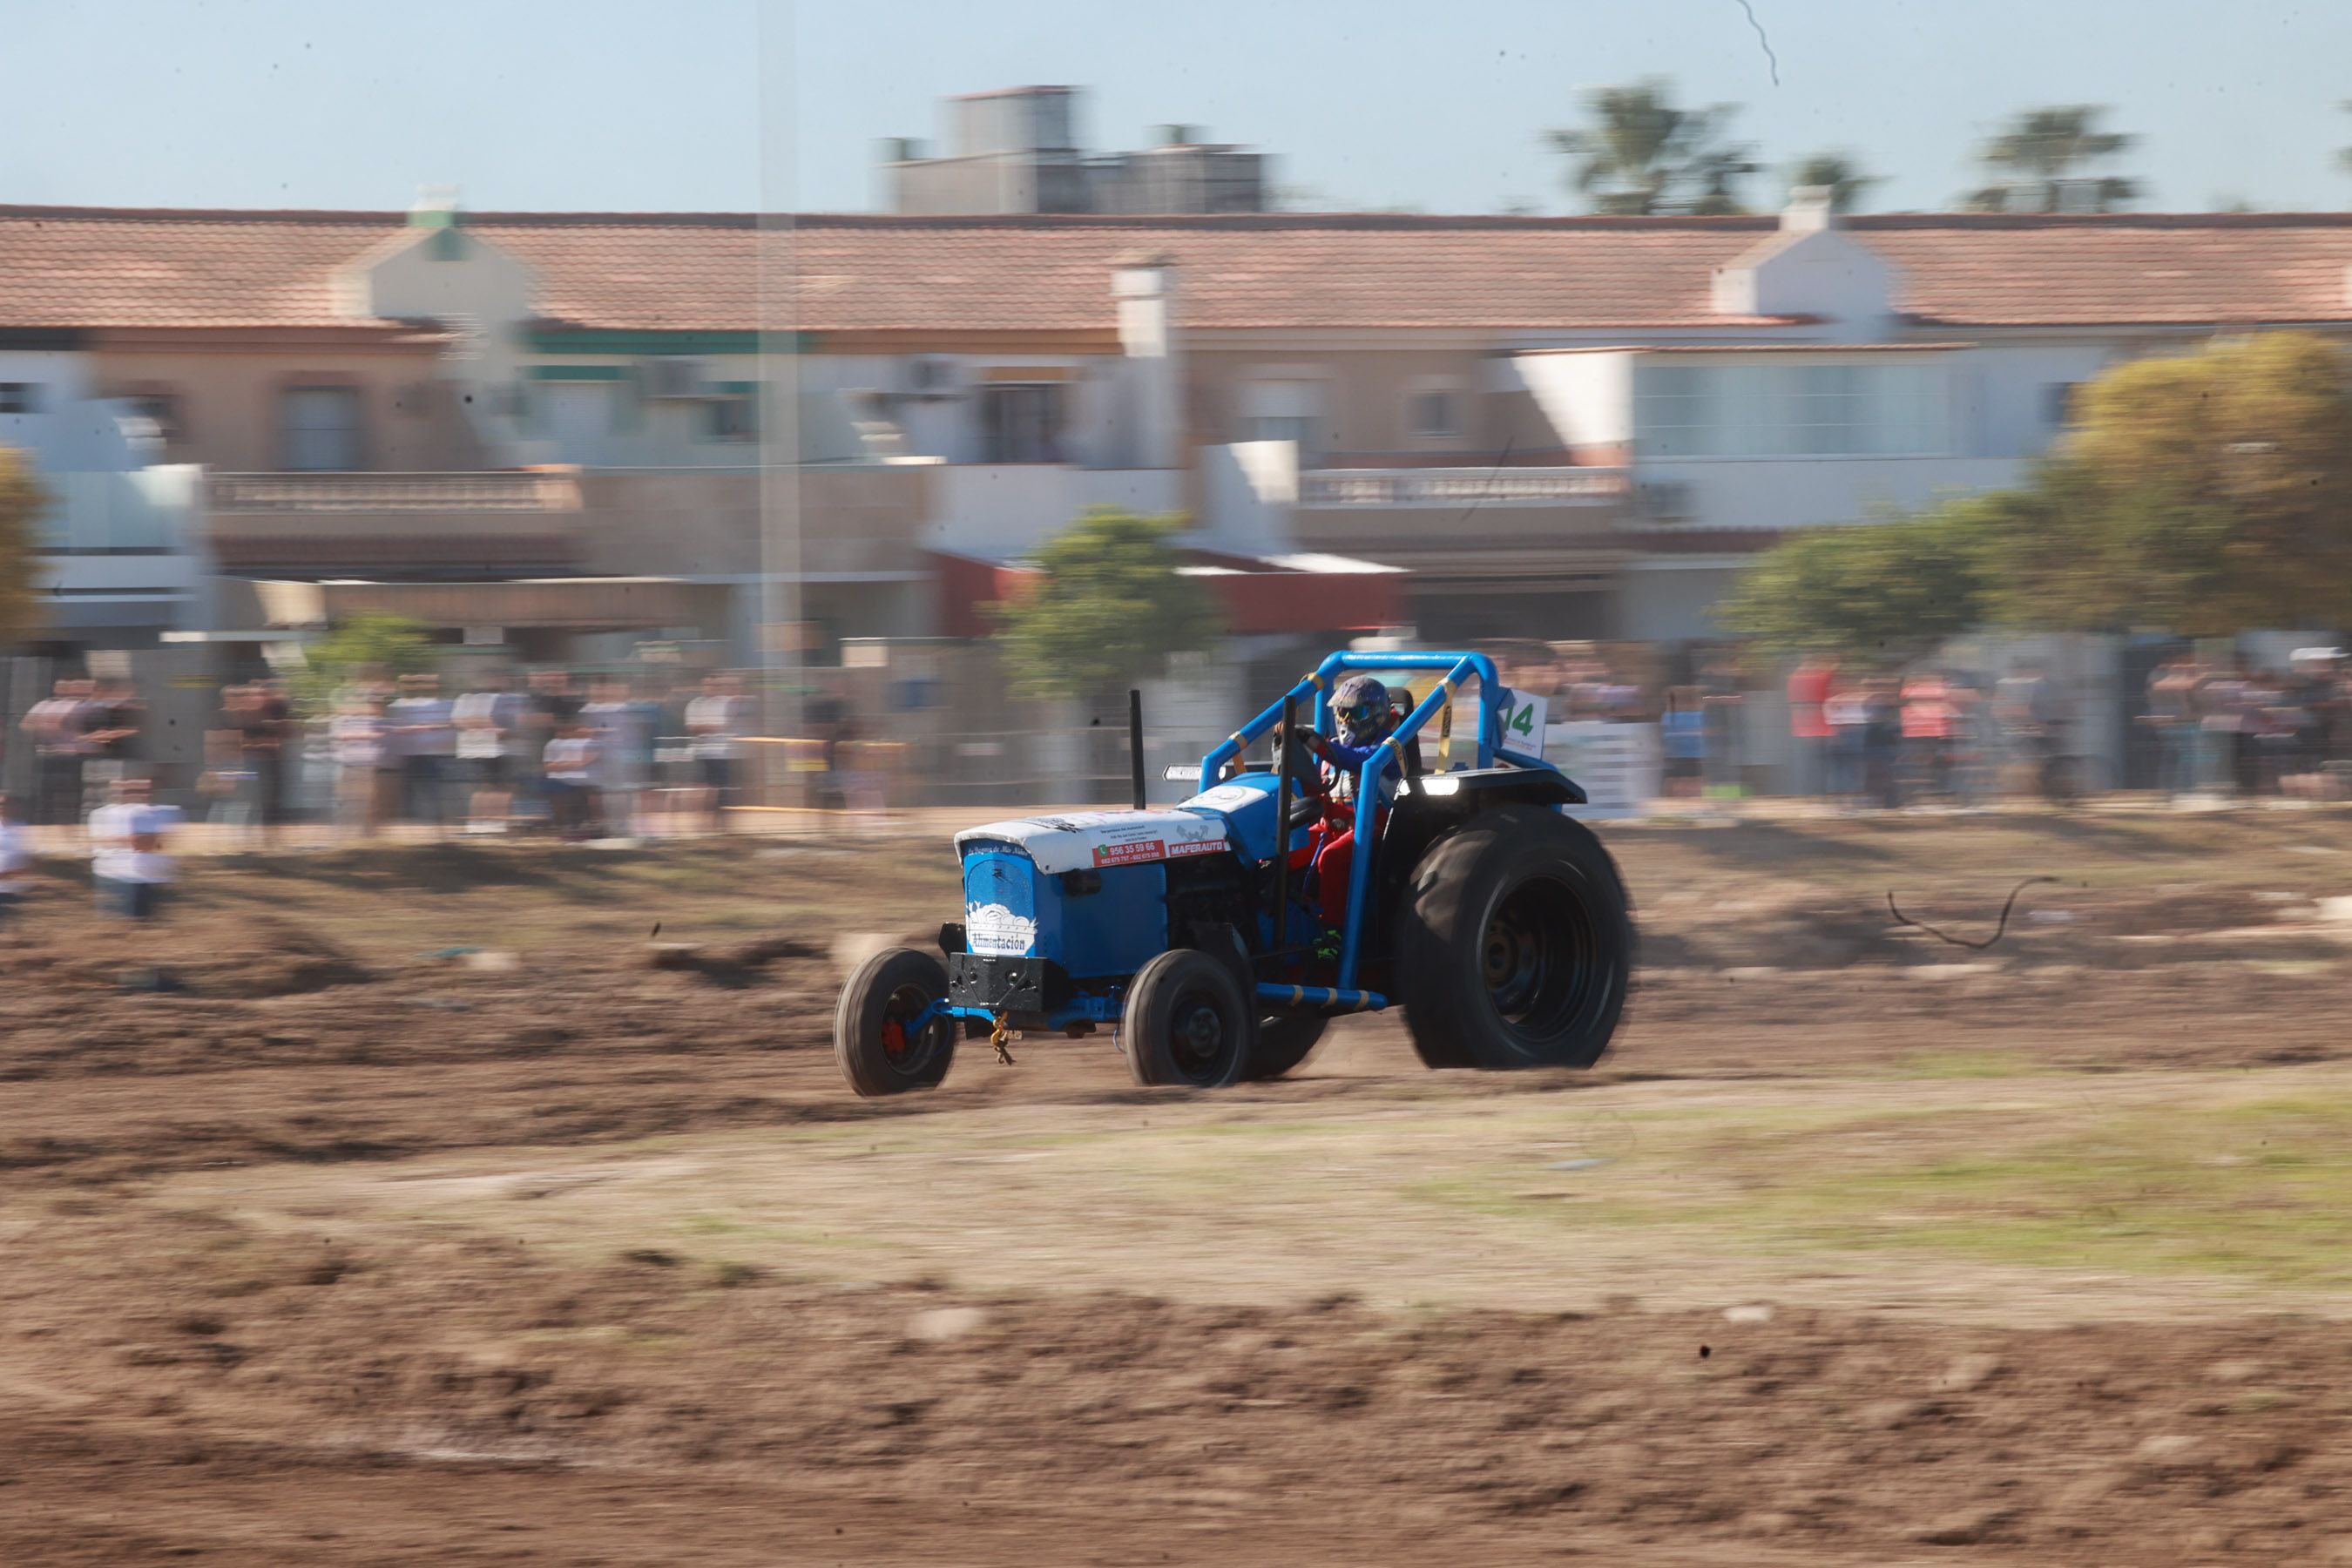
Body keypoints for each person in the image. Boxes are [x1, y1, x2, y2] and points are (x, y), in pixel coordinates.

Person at [1286, 674, 1406, 950]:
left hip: (1373, 830)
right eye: (1342, 712)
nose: (1347, 720)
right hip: (1331, 826)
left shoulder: (1388, 747)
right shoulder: (1332, 750)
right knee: (1282, 852)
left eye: (1356, 713)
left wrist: (1315, 742)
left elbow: (1361, 759)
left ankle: (1333, 934)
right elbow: (1315, 788)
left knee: (1331, 859)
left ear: (1375, 714)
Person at [88, 775, 175, 920]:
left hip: (132, 877)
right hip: (125, 877)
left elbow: (151, 844)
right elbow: (145, 844)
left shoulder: (144, 813)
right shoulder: (108, 814)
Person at [452, 671, 526, 833]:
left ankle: (489, 823)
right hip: (488, 749)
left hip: (501, 749)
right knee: (494, 787)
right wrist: (494, 729)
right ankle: (489, 824)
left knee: (497, 787)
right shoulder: (473, 698)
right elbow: (464, 721)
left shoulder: (510, 698)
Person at [385, 672, 456, 832]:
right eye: (406, 684)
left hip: (430, 755)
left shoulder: (440, 704)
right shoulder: (396, 706)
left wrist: (426, 727)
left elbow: (450, 724)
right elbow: (391, 729)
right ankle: (405, 825)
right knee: (405, 793)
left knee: (432, 791)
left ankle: (438, 824)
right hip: (404, 756)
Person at [685, 672, 751, 832]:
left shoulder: (726, 703)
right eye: (707, 684)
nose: (710, 688)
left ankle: (722, 824)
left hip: (723, 753)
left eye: (714, 685)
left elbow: (726, 724)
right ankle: (703, 822)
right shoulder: (694, 704)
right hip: (701, 753)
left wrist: (705, 727)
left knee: (723, 790)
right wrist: (713, 727)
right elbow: (692, 728)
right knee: (703, 789)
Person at [541, 718, 601, 840]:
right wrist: (572, 764)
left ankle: (578, 827)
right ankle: (564, 828)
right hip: (560, 780)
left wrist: (563, 765)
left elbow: (583, 763)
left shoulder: (589, 743)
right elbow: (548, 767)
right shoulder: (553, 744)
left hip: (581, 781)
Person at [1785, 655, 1835, 796]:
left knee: (1805, 764)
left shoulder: (1793, 678)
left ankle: (1806, 794)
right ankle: (1819, 794)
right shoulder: (1818, 676)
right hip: (1820, 728)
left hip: (1800, 729)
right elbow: (1827, 683)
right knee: (1821, 765)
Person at [0, 792, 33, 925]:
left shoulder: (20, 829)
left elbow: (26, 860)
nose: (2, 807)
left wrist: (12, 874)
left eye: (4, 804)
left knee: (11, 928)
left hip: (12, 887)